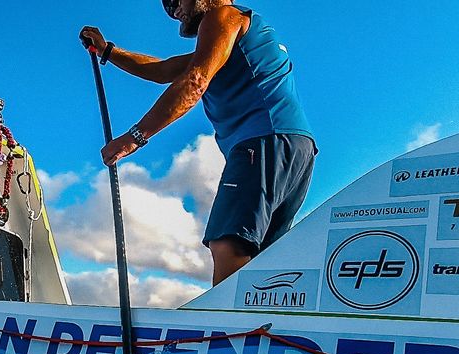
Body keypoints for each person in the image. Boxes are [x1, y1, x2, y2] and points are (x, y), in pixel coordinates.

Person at [80, 0, 316, 286]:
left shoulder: (223, 15)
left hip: (262, 140)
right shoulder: (231, 36)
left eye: (176, 1)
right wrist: (108, 51)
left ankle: (226, 328)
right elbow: (163, 70)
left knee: (229, 243)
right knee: (261, 259)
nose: (173, 11)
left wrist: (134, 137)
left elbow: (195, 80)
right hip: (294, 147)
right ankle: (256, 326)